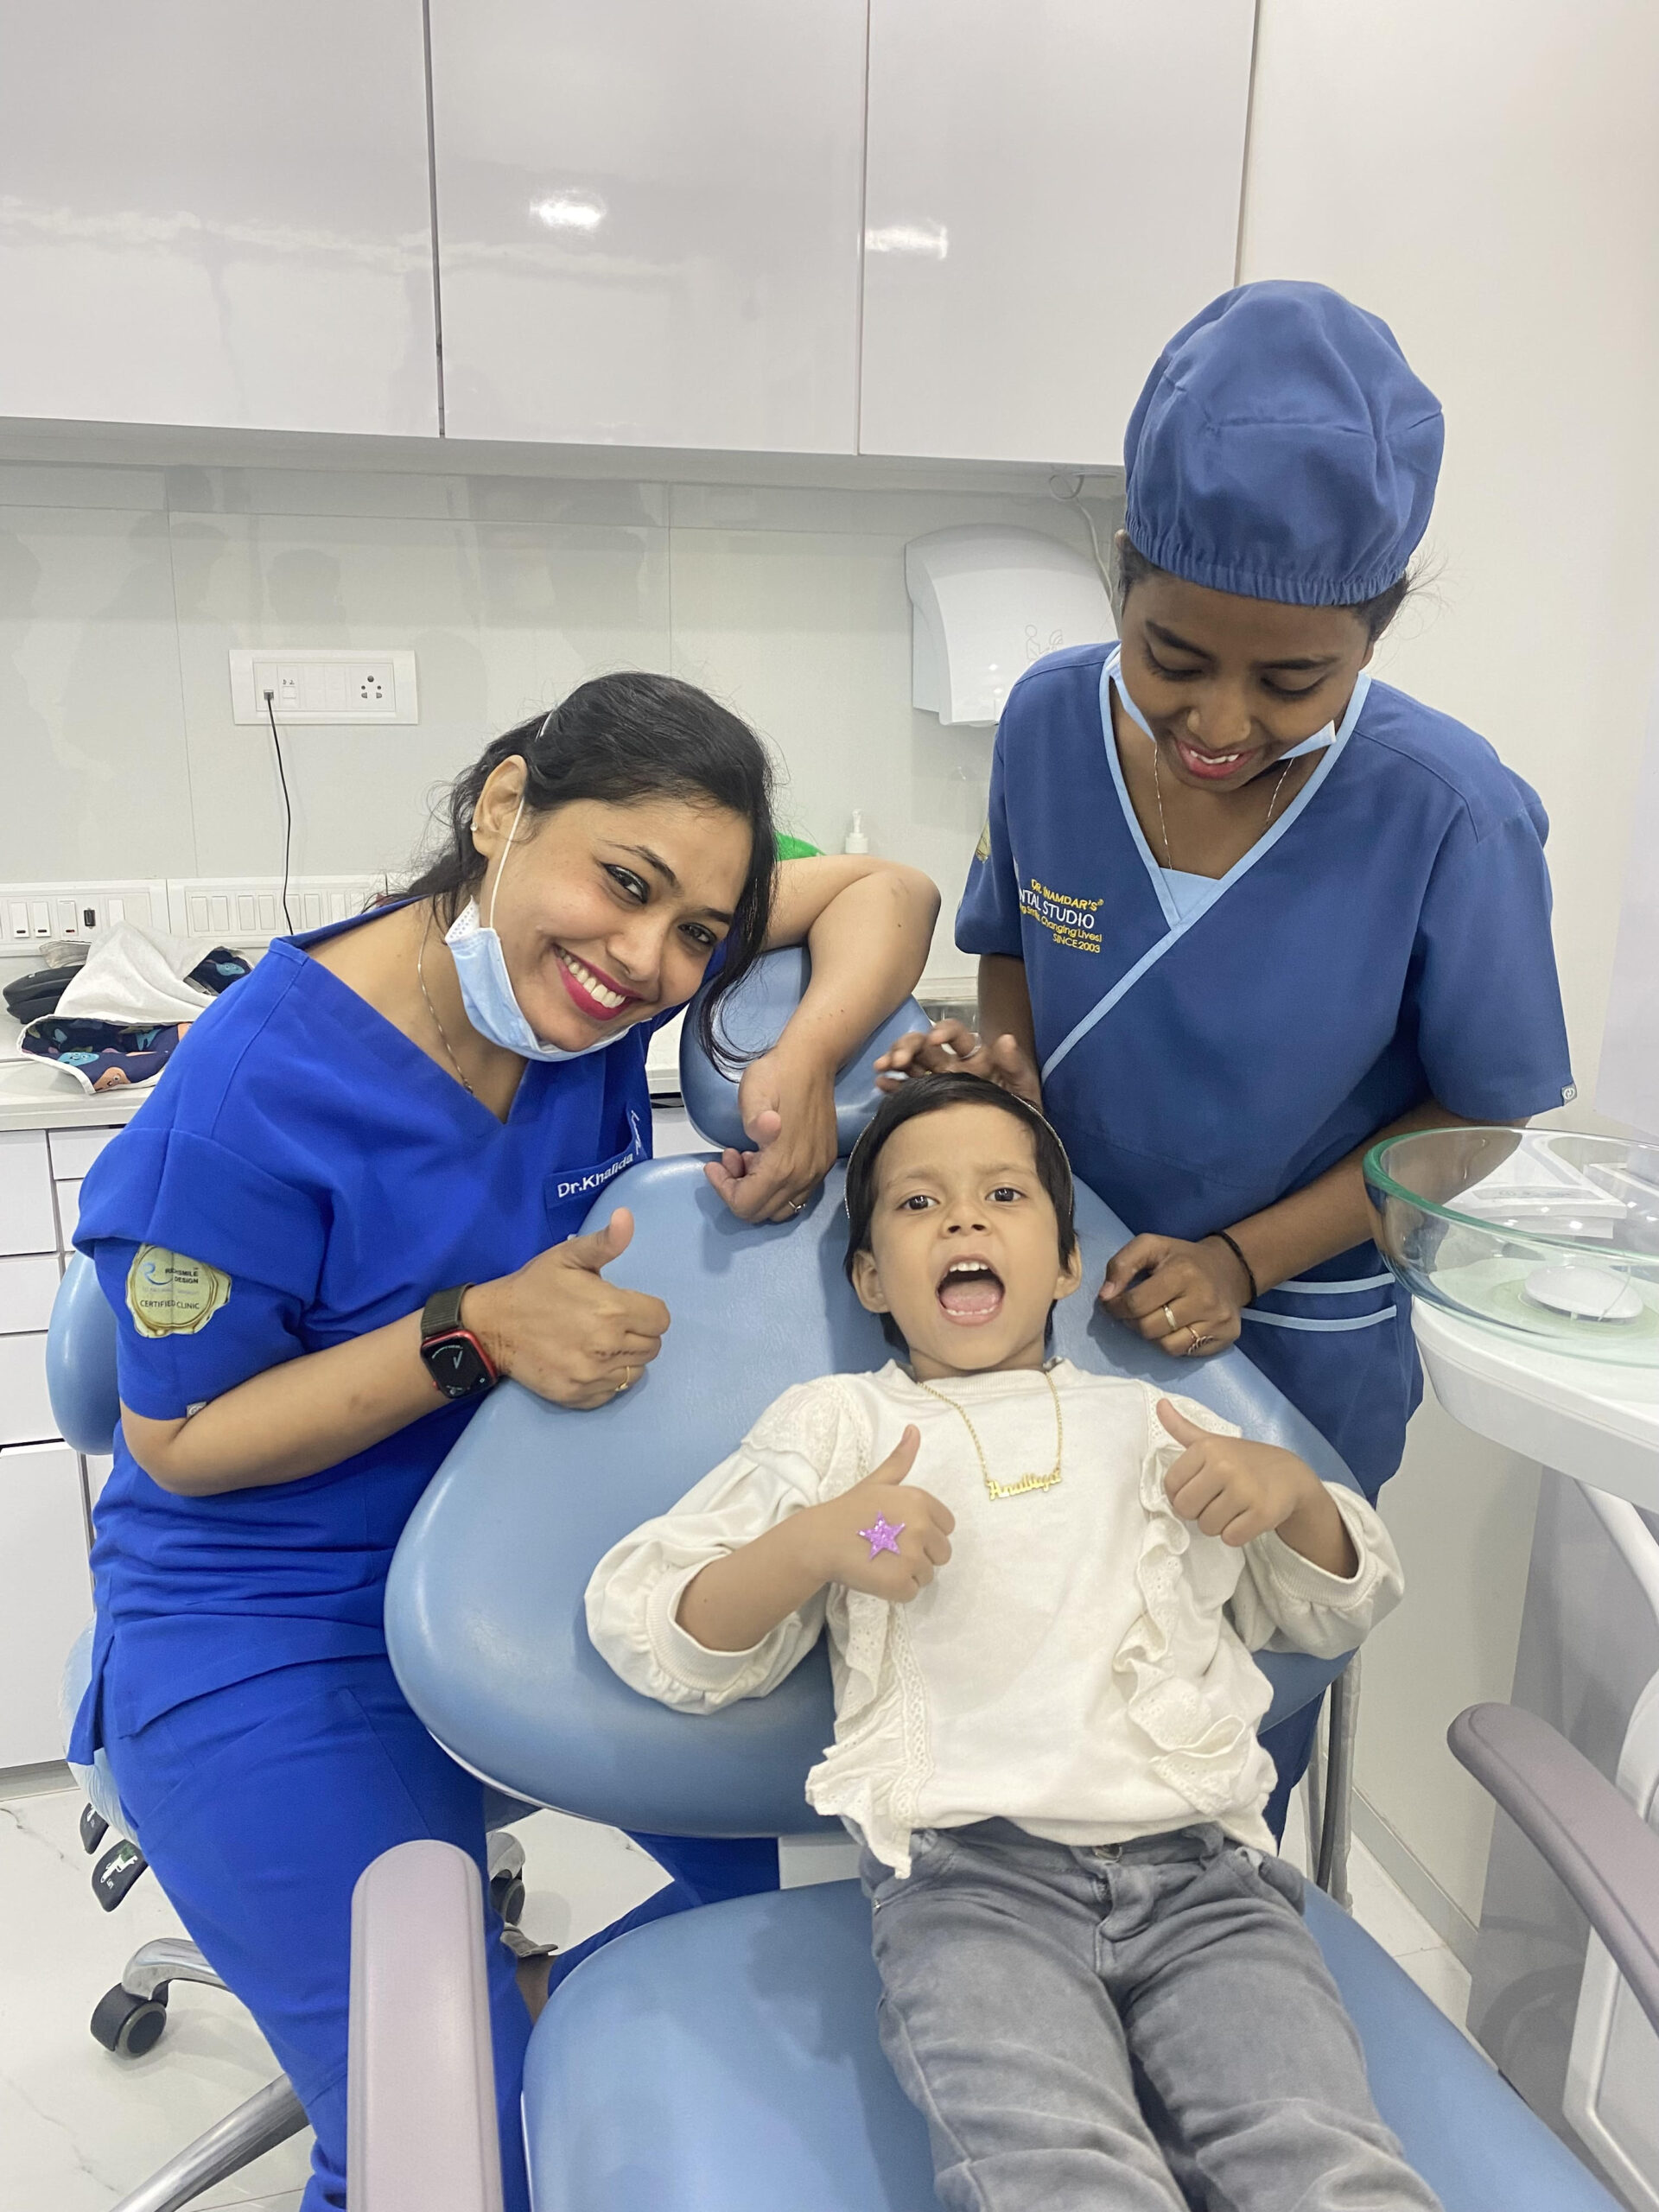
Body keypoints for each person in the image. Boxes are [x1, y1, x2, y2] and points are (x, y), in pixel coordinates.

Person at [67, 671, 939, 2212]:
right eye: (621, 886)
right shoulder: (256, 1090)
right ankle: (488, 2044)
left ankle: (547, 2012)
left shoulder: (580, 990)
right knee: (458, 2148)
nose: (644, 966)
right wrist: (471, 1329)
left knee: (885, 1934)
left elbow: (889, 887)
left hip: (530, 1570)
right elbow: (181, 1438)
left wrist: (802, 1062)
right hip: (264, 1628)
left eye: (696, 934)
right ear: (501, 809)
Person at [876, 279, 1574, 1830]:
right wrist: (1004, 1079)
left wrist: (1247, 1262)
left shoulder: (1449, 811)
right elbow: (1012, 941)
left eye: (1292, 682)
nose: (1216, 720)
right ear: (1120, 578)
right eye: (1172, 654)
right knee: (1019, 1665)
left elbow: (1484, 1119)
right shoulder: (1053, 717)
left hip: (1296, 1338)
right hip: (1058, 1294)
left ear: (1373, 633)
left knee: (1216, 1720)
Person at [587, 1073, 1437, 2212]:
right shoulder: (844, 1431)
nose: (965, 1221)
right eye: (918, 1205)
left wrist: (1289, 1495)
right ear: (870, 1278)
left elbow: (1340, 1601)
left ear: (1068, 1264)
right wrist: (819, 1545)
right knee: (1061, 2177)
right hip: (971, 1893)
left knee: (1328, 2164)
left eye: (1003, 1196)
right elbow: (653, 1620)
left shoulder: (1154, 1423)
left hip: (1208, 1886)